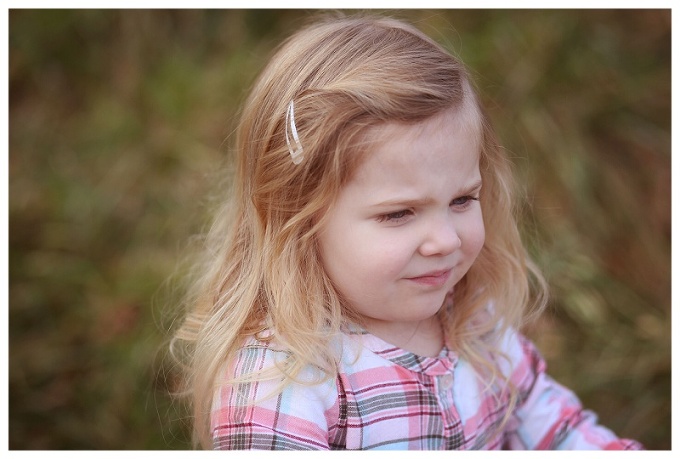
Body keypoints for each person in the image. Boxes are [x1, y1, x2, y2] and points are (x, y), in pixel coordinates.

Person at [171, 14, 643, 450]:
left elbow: (561, 431)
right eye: (398, 214)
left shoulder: (475, 324)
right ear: (297, 218)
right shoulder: (285, 381)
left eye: (462, 200)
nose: (446, 241)